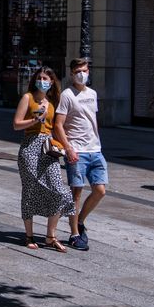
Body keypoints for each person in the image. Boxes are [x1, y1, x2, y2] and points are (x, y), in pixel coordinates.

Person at [14, 67, 74, 252]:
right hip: (30, 147)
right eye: (39, 77)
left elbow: (57, 126)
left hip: (48, 149)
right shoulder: (28, 98)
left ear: (52, 81)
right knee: (30, 190)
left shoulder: (54, 101)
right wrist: (34, 120)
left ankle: (50, 236)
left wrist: (67, 145)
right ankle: (29, 235)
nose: (42, 81)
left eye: (46, 78)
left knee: (59, 191)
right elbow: (16, 124)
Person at [53, 58, 106, 252]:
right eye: (77, 71)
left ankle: (80, 221)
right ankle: (74, 234)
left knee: (100, 190)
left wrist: (97, 141)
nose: (81, 74)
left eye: (84, 70)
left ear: (89, 71)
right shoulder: (67, 95)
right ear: (71, 74)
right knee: (76, 193)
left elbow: (92, 120)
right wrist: (68, 148)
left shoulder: (92, 94)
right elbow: (58, 124)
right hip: (76, 150)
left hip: (95, 150)